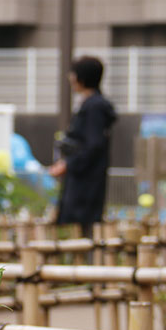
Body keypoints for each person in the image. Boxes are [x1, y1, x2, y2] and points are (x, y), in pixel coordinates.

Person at [49, 56, 117, 235]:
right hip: (84, 177)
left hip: (86, 181)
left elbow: (93, 145)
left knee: (83, 225)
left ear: (81, 78)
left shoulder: (94, 108)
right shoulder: (91, 105)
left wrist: (69, 164)